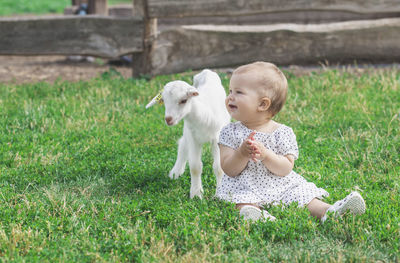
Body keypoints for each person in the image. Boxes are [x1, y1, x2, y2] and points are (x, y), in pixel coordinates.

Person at [216, 61, 366, 222]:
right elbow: (229, 169)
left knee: (303, 197)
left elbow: (285, 168)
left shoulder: (282, 132)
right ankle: (254, 214)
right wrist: (241, 153)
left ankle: (329, 212)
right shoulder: (229, 131)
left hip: (280, 184)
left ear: (262, 104)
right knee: (241, 200)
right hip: (243, 185)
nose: (230, 97)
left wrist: (266, 155)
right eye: (230, 91)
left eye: (238, 92)